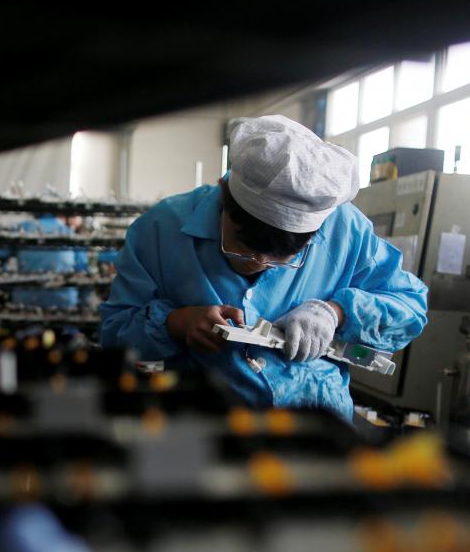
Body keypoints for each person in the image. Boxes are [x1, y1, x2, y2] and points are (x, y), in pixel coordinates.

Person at [99, 115, 427, 422]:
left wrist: (335, 312)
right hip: (193, 421)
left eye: (279, 259)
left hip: (311, 427)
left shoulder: (346, 231)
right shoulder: (160, 228)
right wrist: (174, 323)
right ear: (224, 200)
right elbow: (114, 335)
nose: (259, 264)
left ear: (315, 232)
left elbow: (410, 307)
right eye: (244, 248)